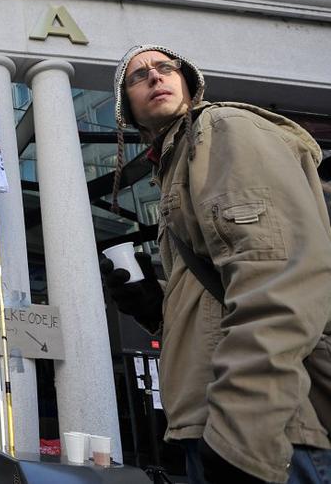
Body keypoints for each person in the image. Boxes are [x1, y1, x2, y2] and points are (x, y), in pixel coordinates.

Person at [101, 45, 331, 484]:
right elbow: (221, 293)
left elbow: (279, 273)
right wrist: (156, 306)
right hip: (216, 417)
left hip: (262, 427)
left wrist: (243, 425)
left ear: (188, 82)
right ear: (126, 109)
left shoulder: (221, 128)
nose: (155, 77)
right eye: (138, 76)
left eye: (165, 67)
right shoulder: (176, 162)